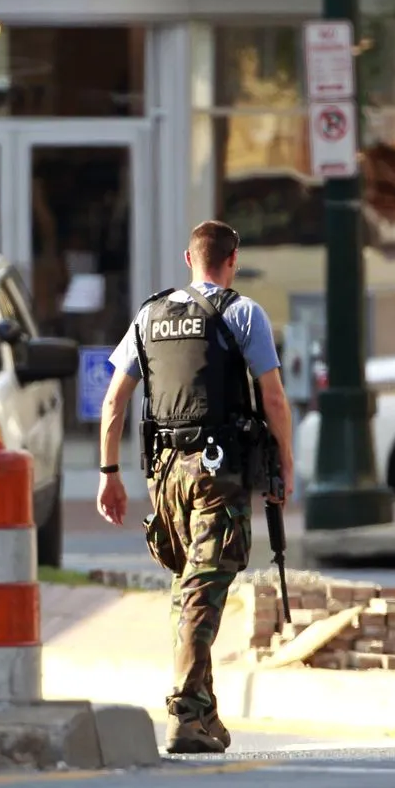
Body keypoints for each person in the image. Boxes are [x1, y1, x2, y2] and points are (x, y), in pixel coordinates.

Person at [96, 219, 295, 754]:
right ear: (232, 260)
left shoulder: (151, 313)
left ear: (189, 260)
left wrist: (108, 473)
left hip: (165, 478)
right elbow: (273, 399)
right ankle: (185, 714)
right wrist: (287, 465)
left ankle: (205, 713)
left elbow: (115, 400)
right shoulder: (242, 312)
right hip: (215, 473)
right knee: (202, 593)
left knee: (190, 590)